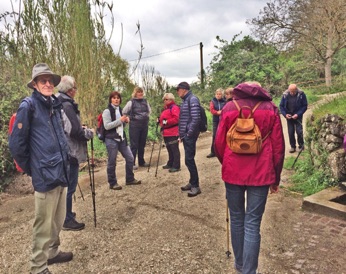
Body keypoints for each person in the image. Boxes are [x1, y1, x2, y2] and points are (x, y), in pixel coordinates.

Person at [214, 82, 285, 274]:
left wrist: (227, 165)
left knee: (236, 219)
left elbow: (219, 143)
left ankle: (239, 265)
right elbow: (278, 146)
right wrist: (275, 178)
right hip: (261, 173)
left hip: (233, 173)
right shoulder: (270, 108)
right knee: (253, 222)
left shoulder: (229, 107)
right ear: (261, 90)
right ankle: (249, 271)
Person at [9, 63, 73, 274]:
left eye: (50, 81)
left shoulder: (54, 104)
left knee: (57, 220)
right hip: (44, 176)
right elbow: (16, 145)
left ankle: (53, 253)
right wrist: (33, 169)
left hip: (61, 171)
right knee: (43, 225)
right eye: (42, 80)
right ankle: (38, 267)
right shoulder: (29, 106)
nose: (47, 83)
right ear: (35, 84)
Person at [56, 75, 94, 231]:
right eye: (75, 88)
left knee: (67, 186)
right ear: (70, 90)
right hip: (70, 152)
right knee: (69, 186)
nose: (76, 90)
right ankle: (67, 219)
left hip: (63, 150)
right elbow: (74, 131)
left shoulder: (58, 101)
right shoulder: (67, 105)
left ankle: (67, 214)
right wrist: (88, 133)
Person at [103, 91, 141, 189]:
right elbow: (107, 126)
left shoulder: (121, 110)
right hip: (111, 139)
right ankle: (112, 183)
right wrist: (120, 120)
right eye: (114, 98)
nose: (116, 99)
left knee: (130, 158)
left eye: (118, 98)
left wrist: (125, 121)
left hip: (121, 138)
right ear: (111, 99)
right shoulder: (107, 111)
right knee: (112, 161)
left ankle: (130, 179)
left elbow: (121, 126)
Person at [176, 81, 202, 197]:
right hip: (186, 135)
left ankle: (196, 186)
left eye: (178, 90)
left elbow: (196, 118)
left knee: (189, 160)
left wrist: (189, 133)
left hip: (190, 135)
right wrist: (181, 134)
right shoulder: (186, 100)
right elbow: (183, 119)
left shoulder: (192, 99)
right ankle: (192, 182)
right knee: (188, 159)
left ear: (184, 89)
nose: (177, 92)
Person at [122, 87, 151, 170]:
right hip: (134, 126)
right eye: (138, 92)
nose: (140, 93)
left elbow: (149, 111)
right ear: (135, 93)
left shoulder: (145, 101)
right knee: (134, 145)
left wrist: (145, 117)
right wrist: (129, 118)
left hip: (144, 125)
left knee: (142, 144)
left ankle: (141, 162)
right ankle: (132, 163)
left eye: (141, 92)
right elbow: (124, 111)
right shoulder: (131, 102)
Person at [279, 83, 308, 153]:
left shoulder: (301, 94)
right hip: (289, 117)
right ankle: (292, 146)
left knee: (299, 131)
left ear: (296, 89)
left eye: (293, 91)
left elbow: (305, 106)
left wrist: (298, 114)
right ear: (288, 90)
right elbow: (281, 106)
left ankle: (301, 145)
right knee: (290, 132)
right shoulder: (285, 95)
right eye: (290, 91)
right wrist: (285, 115)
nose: (292, 93)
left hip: (298, 116)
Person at [158, 93, 181, 172]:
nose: (165, 101)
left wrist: (166, 121)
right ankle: (170, 163)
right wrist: (159, 120)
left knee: (174, 149)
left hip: (173, 131)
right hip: (166, 132)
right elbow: (164, 119)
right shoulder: (166, 108)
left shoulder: (174, 107)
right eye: (164, 99)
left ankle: (176, 165)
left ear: (171, 100)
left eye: (166, 99)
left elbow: (177, 119)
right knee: (169, 148)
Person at [207, 88, 226, 158]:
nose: (218, 95)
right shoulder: (213, 101)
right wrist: (217, 112)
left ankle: (223, 151)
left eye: (220, 94)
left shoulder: (225, 101)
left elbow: (226, 108)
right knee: (215, 135)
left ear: (222, 95)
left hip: (223, 120)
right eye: (217, 94)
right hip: (216, 120)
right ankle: (213, 151)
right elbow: (212, 110)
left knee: (224, 135)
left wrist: (222, 112)